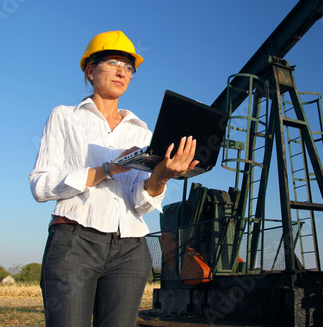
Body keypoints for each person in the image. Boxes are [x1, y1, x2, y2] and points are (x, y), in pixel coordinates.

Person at [29, 30, 198, 327]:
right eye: (113, 62)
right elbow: (41, 186)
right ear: (91, 70)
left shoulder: (143, 132)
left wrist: (161, 176)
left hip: (130, 250)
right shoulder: (65, 116)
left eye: (129, 67)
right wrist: (107, 169)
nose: (122, 70)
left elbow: (140, 203)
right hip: (73, 242)